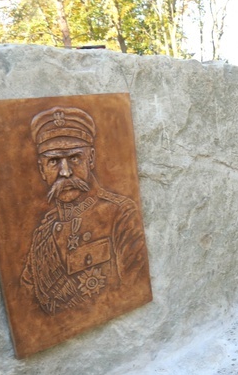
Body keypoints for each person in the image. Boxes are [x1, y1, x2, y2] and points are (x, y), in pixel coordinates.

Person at [21, 106, 152, 316]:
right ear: (41, 169)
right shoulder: (42, 234)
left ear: (90, 158)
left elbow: (134, 290)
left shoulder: (120, 212)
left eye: (74, 158)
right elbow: (27, 304)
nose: (65, 172)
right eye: (53, 161)